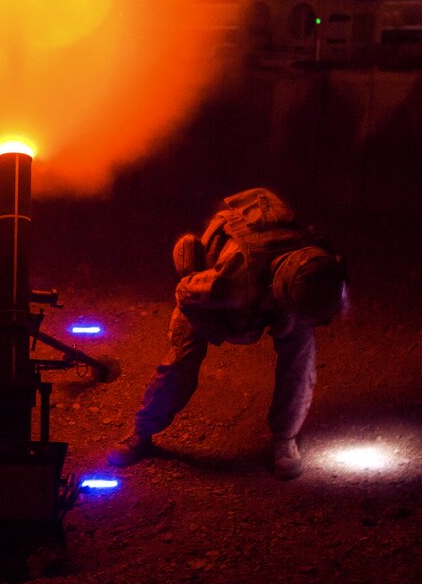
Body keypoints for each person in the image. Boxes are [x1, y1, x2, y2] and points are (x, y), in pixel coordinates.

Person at [108, 188, 347, 479]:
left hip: (276, 292)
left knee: (301, 351)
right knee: (180, 361)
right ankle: (141, 432)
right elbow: (184, 293)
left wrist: (285, 318)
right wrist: (218, 328)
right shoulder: (232, 282)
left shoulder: (318, 269)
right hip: (209, 297)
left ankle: (285, 438)